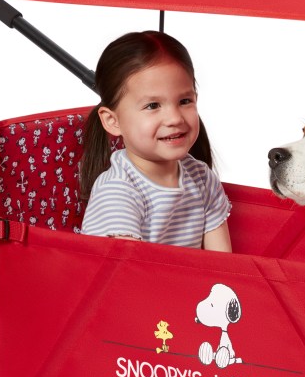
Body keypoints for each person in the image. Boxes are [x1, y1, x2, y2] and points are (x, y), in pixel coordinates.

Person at [79, 31, 232, 251]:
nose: (175, 118)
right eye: (153, 106)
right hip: (133, 274)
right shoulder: (117, 191)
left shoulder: (202, 178)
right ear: (113, 121)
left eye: (185, 101)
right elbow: (127, 269)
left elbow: (222, 263)